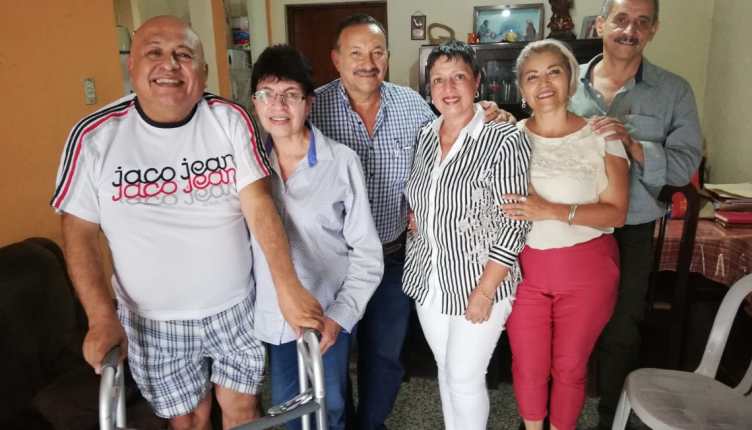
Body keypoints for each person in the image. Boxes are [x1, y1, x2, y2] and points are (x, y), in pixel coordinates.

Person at [50, 16, 322, 430]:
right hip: (151, 320)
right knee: (189, 420)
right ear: (131, 65)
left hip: (234, 305)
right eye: (154, 53)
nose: (170, 65)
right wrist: (101, 317)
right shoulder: (94, 137)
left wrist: (288, 287)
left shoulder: (230, 118)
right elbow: (80, 233)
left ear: (204, 70)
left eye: (183, 54)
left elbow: (259, 204)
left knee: (243, 411)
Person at [309, 14, 513, 429]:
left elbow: (454, 134)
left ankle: (372, 424)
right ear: (336, 59)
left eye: (377, 52)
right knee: (333, 361)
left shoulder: (412, 107)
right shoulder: (313, 108)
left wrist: (490, 111)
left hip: (393, 256)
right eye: (356, 53)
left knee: (385, 355)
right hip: (332, 263)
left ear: (387, 57)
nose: (368, 62)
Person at [568, 1, 702, 428]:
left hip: (631, 228)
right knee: (561, 323)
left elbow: (684, 166)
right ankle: (551, 416)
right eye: (622, 19)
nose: (631, 30)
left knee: (622, 328)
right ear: (601, 24)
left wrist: (633, 145)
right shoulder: (564, 80)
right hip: (568, 225)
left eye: (642, 22)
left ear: (654, 29)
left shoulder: (674, 91)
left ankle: (612, 418)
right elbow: (533, 139)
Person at [249, 44, 383, 430]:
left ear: (308, 103)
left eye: (290, 94)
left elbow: (367, 253)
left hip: (326, 317)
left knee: (331, 409)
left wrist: (339, 318)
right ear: (255, 102)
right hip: (274, 318)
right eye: (267, 94)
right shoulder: (248, 165)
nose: (278, 105)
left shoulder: (340, 162)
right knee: (288, 411)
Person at [403, 40, 532, 430]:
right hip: (430, 277)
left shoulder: (504, 138)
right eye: (438, 79)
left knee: (464, 376)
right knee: (447, 369)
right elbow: (423, 192)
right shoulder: (426, 134)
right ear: (429, 88)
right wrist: (418, 213)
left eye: (458, 76)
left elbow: (515, 222)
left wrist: (485, 291)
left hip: (479, 280)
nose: (448, 88)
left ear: (477, 81)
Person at [502, 39, 630, 430]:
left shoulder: (602, 135)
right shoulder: (508, 139)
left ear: (571, 79)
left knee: (571, 367)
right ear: (521, 89)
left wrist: (551, 210)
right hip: (523, 270)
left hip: (587, 270)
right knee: (527, 365)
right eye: (532, 76)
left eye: (553, 72)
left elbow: (617, 212)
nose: (543, 83)